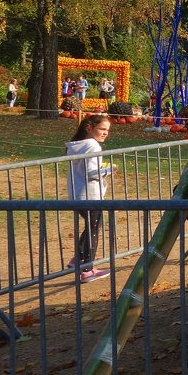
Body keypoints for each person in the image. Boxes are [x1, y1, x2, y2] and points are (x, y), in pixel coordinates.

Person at [66, 114, 115, 282]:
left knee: (91, 227)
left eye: (107, 130)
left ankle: (79, 259)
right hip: (91, 194)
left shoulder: (76, 145)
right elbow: (92, 173)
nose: (105, 133)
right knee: (94, 228)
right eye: (102, 129)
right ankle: (87, 269)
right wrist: (109, 170)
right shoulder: (93, 146)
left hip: (76, 194)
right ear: (89, 127)